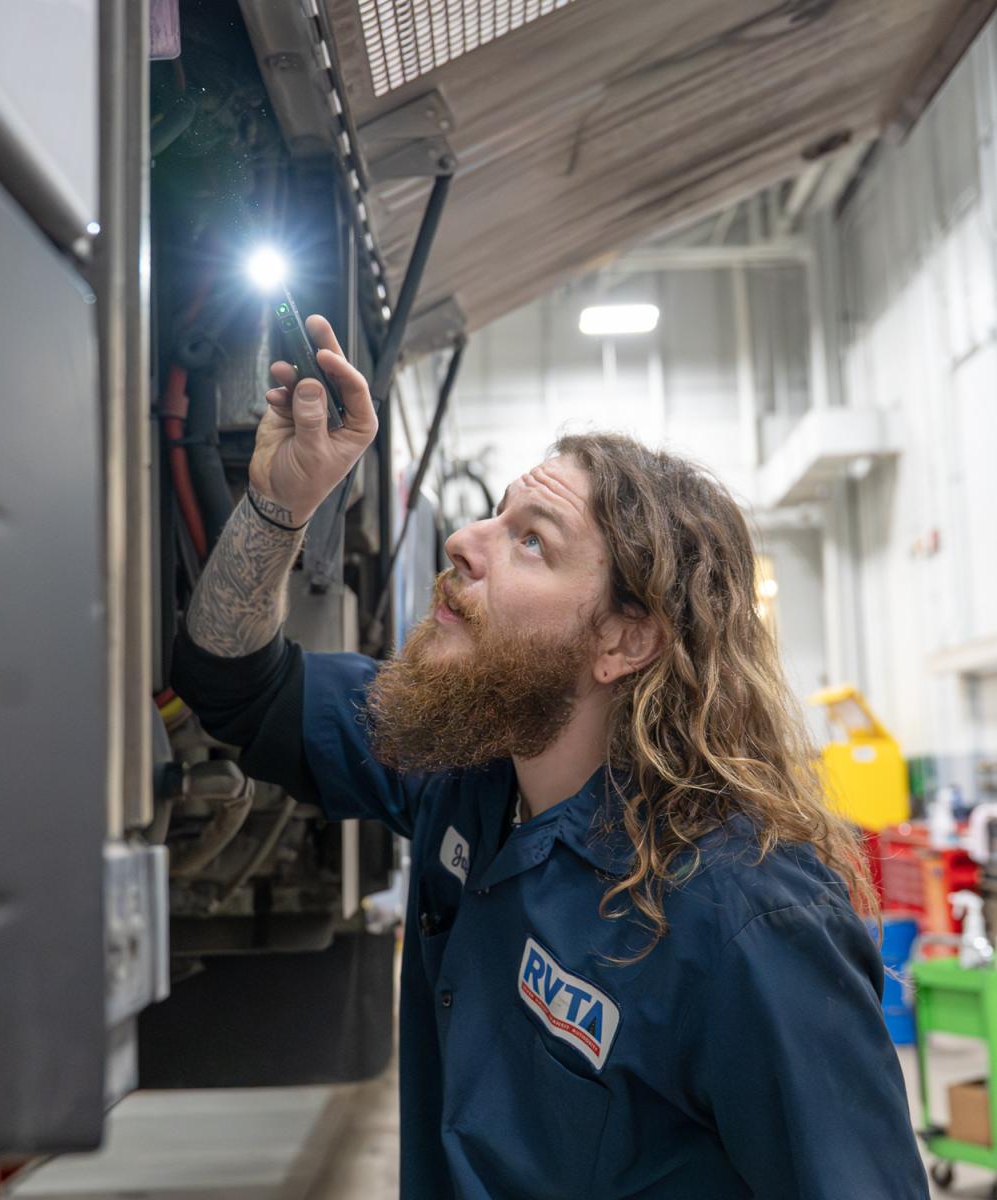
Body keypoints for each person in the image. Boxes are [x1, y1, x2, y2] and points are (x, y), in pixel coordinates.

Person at [171, 316, 930, 1199]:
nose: (465, 541)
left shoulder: (747, 922)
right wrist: (279, 503)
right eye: (493, 513)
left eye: (531, 540)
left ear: (623, 638)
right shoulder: (465, 771)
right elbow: (230, 682)